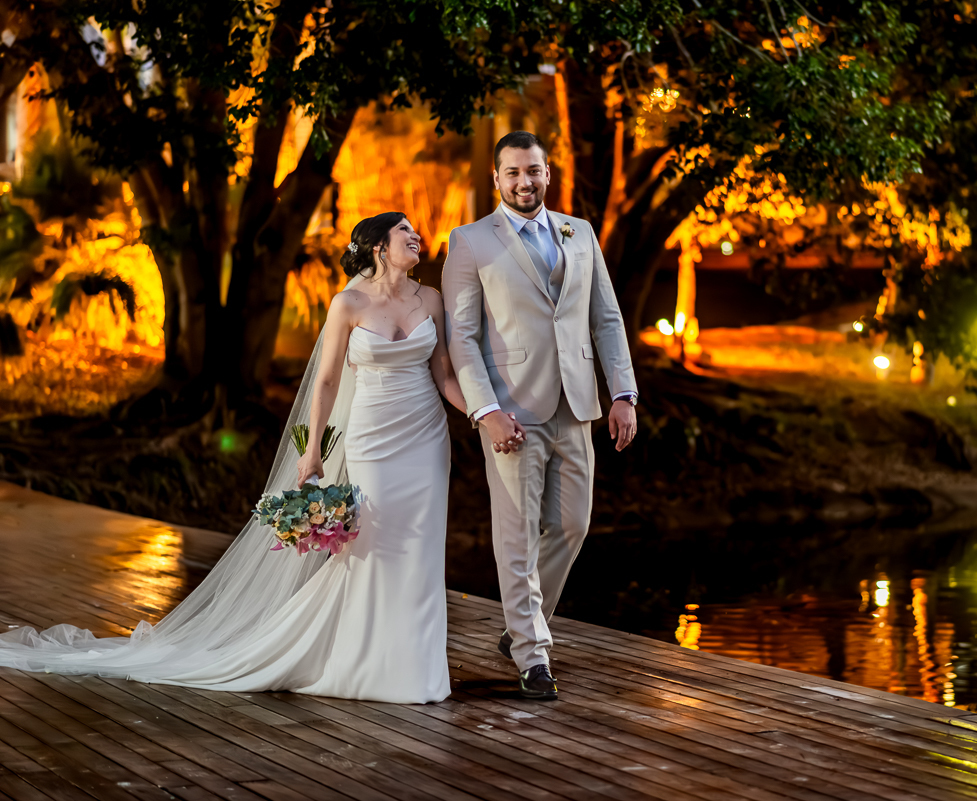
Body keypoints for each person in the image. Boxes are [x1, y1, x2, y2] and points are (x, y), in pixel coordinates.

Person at [0, 212, 466, 705]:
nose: (416, 238)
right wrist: (312, 454)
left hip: (425, 437)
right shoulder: (347, 303)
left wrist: (485, 414)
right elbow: (328, 380)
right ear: (378, 247)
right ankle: (365, 661)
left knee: (420, 547)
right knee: (373, 544)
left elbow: (445, 375)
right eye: (405, 231)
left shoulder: (431, 300)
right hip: (373, 439)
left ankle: (415, 668)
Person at [443, 131, 639, 701]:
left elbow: (607, 319)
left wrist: (622, 393)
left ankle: (521, 626)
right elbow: (463, 336)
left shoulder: (580, 233)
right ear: (496, 179)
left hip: (578, 407)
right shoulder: (470, 241)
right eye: (513, 173)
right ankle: (533, 658)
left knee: (573, 524)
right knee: (517, 536)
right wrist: (485, 411)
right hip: (511, 410)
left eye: (533, 171)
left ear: (547, 173)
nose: (524, 182)